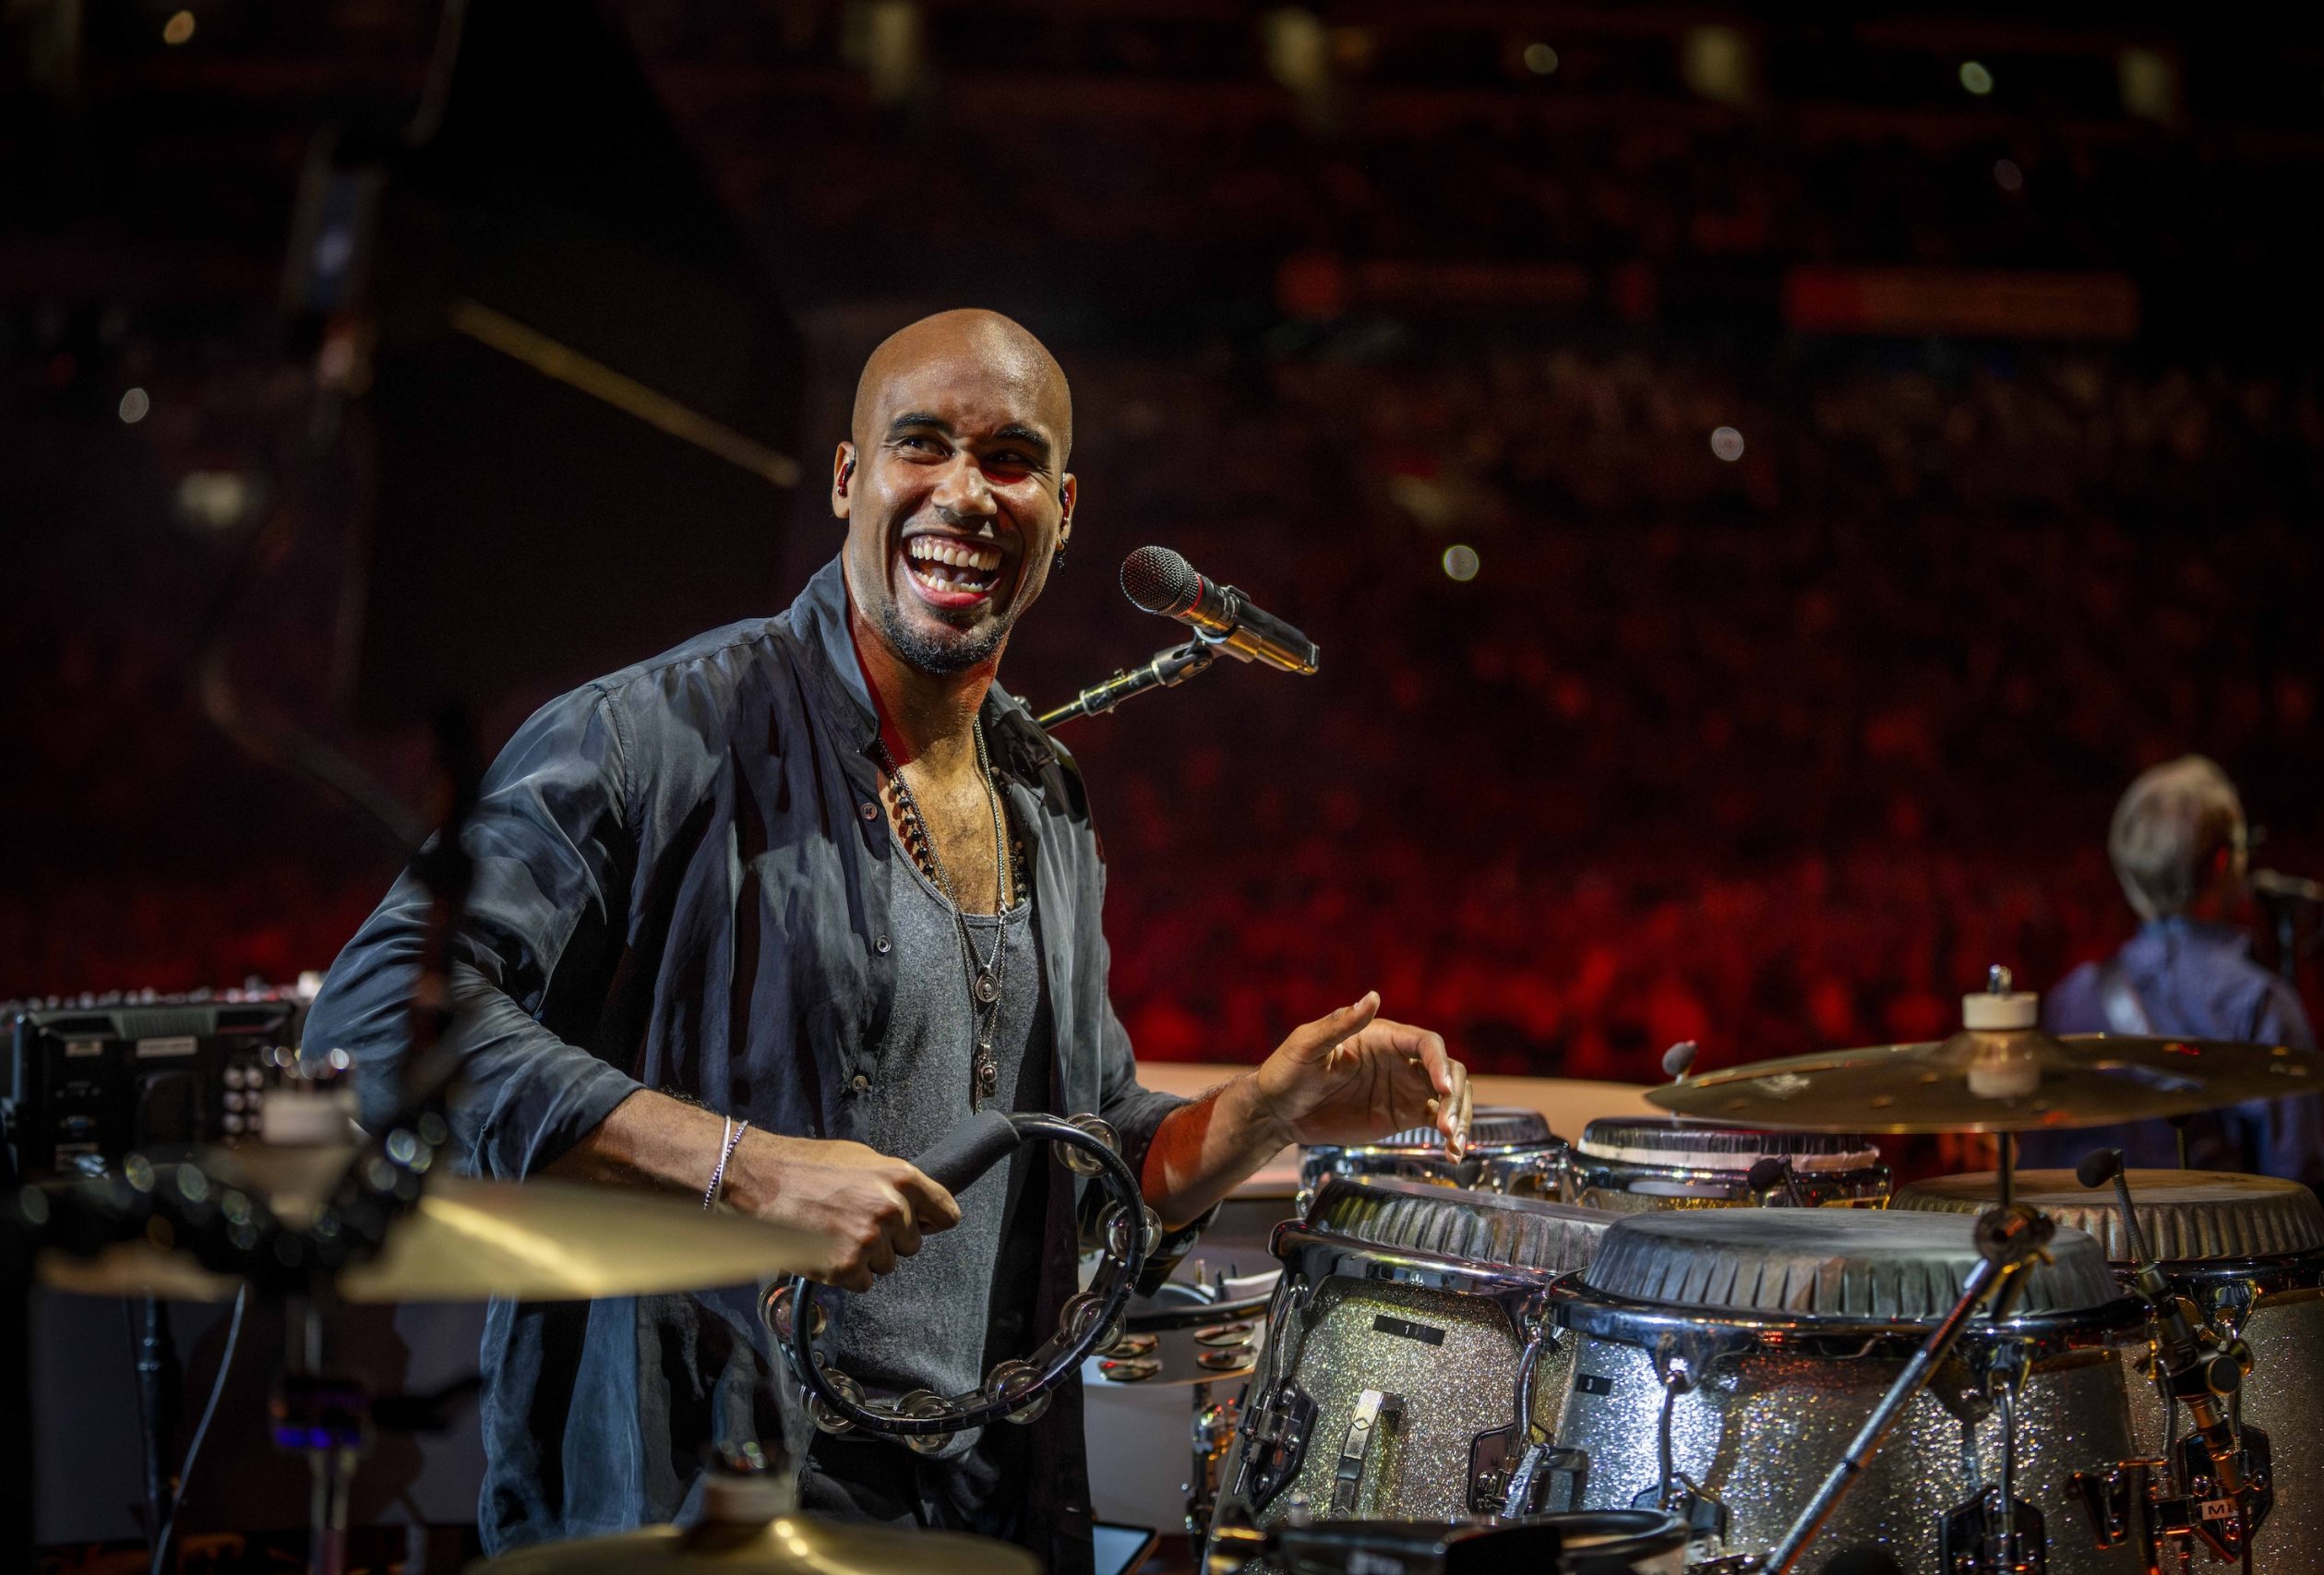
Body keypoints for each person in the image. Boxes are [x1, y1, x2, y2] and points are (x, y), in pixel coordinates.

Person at [301, 309, 1471, 1567]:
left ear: (1062, 509)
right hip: (701, 1493)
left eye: (1010, 459)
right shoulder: (656, 734)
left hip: (978, 1508)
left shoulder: (1048, 796)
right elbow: (376, 1013)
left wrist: (1263, 1112)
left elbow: (1080, 1163)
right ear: (853, 480)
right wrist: (744, 1165)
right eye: (923, 445)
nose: (965, 491)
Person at [2018, 756, 2324, 1213]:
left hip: (2088, 1269)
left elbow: (2038, 1161)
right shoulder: (2258, 1002)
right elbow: (2302, 1189)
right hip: (2214, 1265)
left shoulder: (2072, 996)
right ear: (2225, 861)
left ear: (2127, 874)